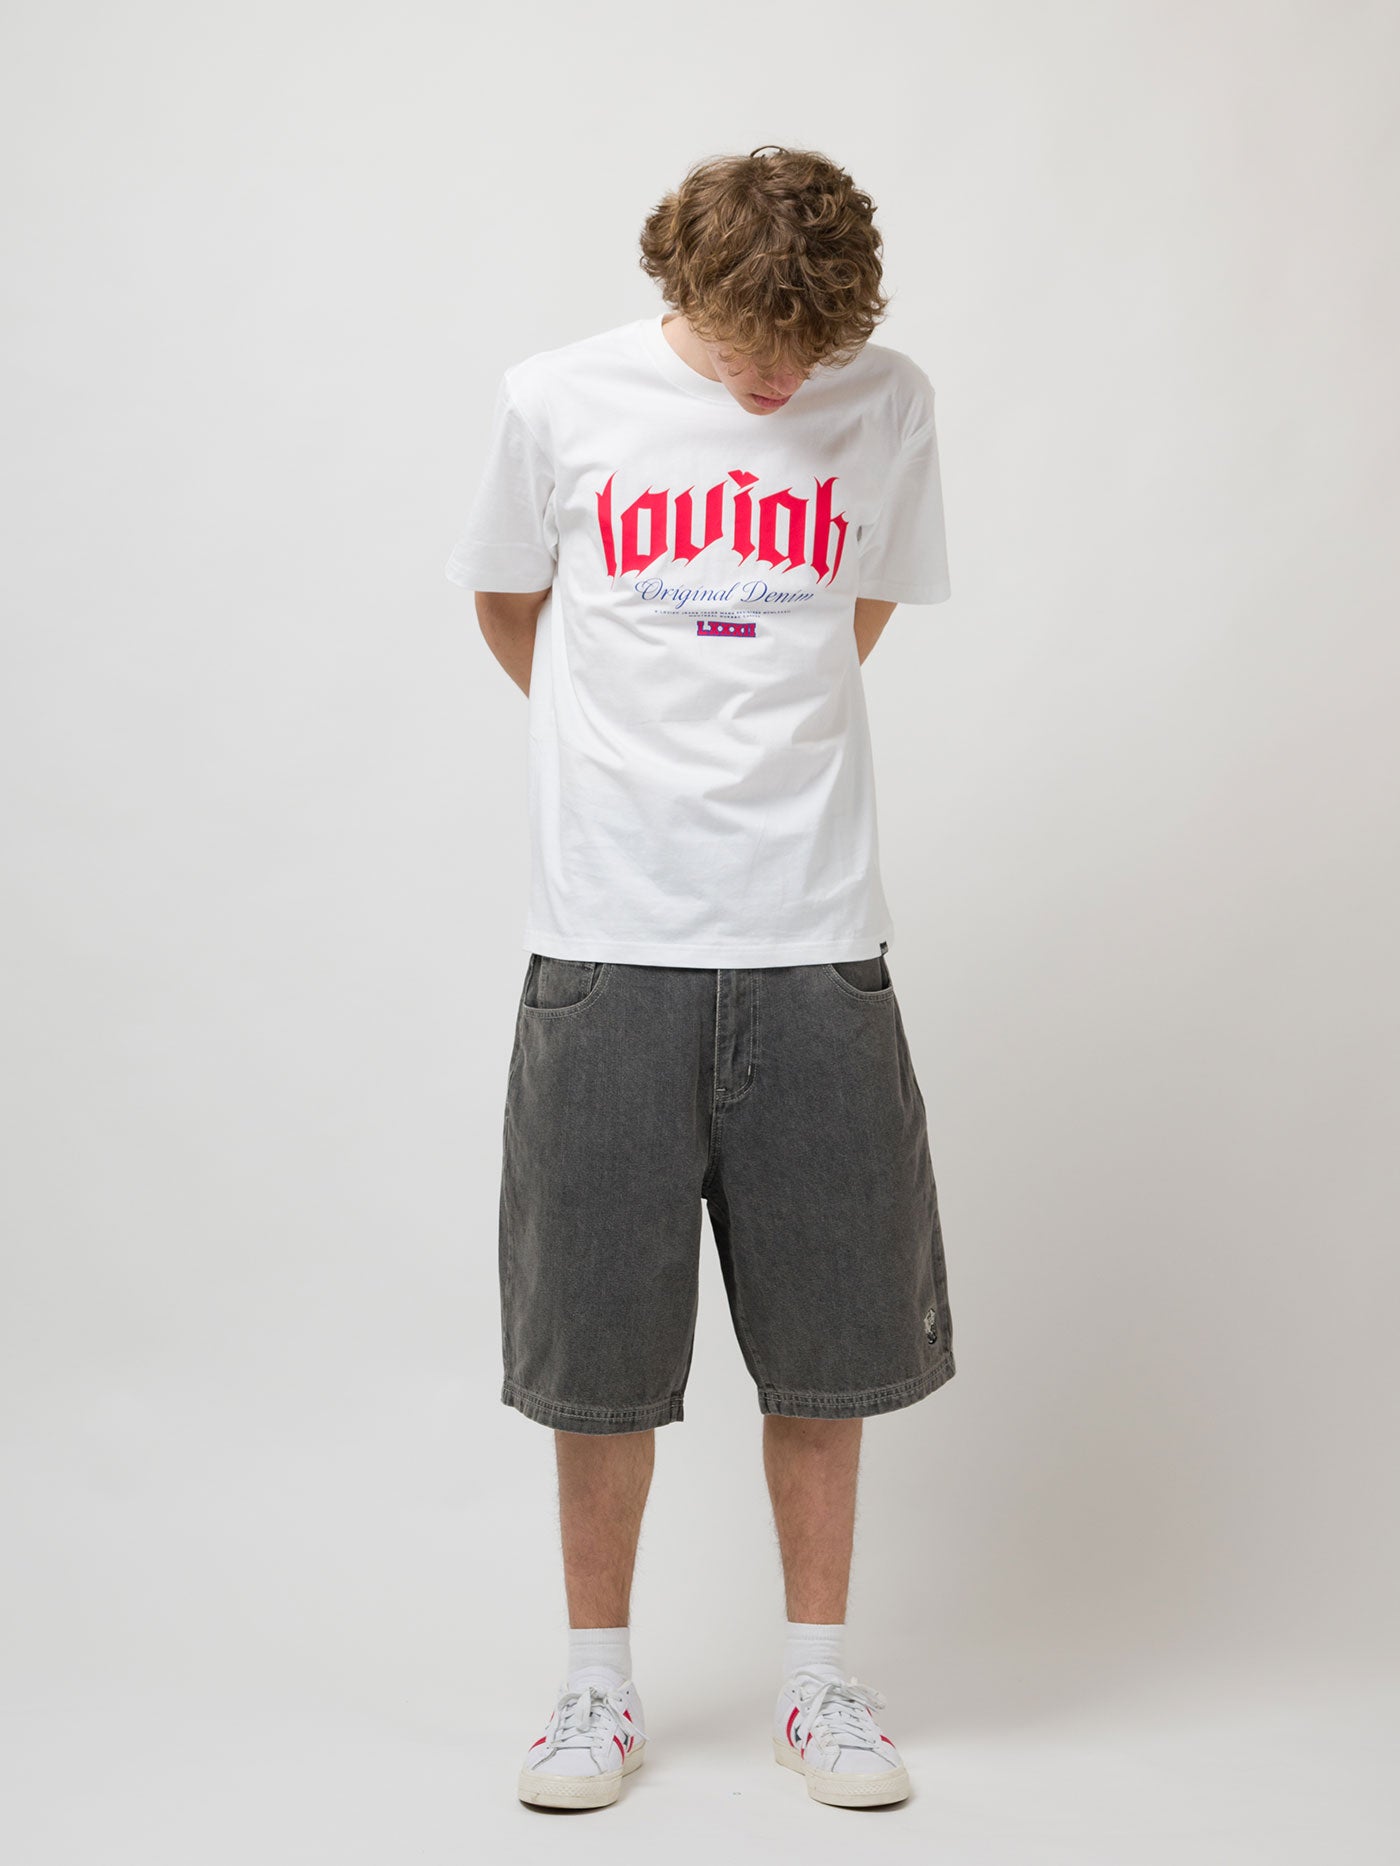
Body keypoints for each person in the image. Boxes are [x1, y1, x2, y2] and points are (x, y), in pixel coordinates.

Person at [443, 143, 956, 1812]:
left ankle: (820, 1683)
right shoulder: (556, 398)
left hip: (817, 938)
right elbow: (509, 604)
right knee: (597, 1352)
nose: (779, 382)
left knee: (831, 1342)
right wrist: (623, 755)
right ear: (682, 288)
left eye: (812, 351)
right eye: (750, 348)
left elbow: (853, 615)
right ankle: (595, 1688)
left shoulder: (888, 402)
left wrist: (753, 739)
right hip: (608, 942)